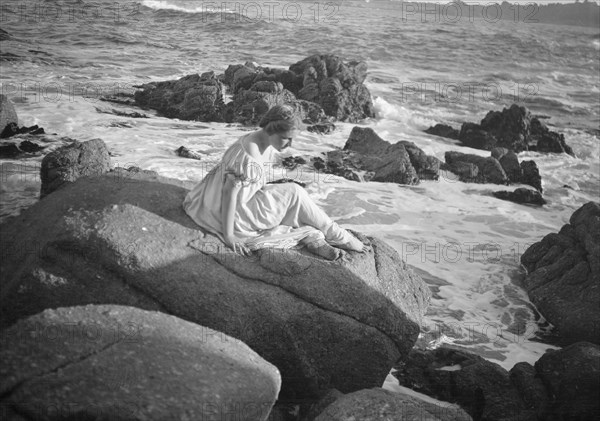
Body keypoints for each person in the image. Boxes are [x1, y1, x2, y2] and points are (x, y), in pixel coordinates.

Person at [183, 104, 371, 259]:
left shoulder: (265, 143)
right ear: (271, 130)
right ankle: (333, 235)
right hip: (233, 212)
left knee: (291, 196)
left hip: (243, 200)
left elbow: (250, 184)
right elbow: (228, 193)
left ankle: (317, 237)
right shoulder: (248, 154)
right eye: (286, 139)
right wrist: (229, 235)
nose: (290, 145)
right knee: (295, 193)